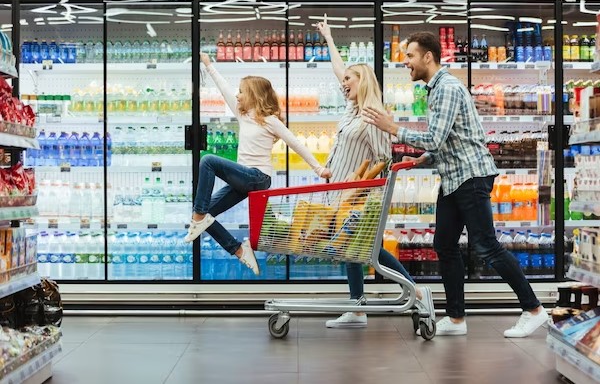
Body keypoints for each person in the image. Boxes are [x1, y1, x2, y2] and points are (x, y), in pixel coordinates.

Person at [363, 31, 548, 338]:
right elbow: (446, 143)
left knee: (486, 245)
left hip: (469, 176)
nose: (405, 62)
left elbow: (436, 138)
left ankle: (534, 309)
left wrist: (393, 128)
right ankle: (456, 318)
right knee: (444, 244)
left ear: (427, 57)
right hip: (453, 177)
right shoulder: (434, 89)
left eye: (409, 56)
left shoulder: (446, 88)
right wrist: (426, 159)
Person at [314, 18, 434, 329]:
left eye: (350, 79)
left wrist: (359, 188)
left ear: (363, 81)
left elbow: (383, 157)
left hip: (358, 196)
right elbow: (340, 70)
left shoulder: (373, 114)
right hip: (339, 190)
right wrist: (329, 38)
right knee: (358, 250)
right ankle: (365, 306)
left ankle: (407, 293)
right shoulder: (351, 109)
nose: (344, 82)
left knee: (364, 250)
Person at [185, 53, 332, 276]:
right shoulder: (243, 115)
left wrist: (318, 168)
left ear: (253, 95)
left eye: (242, 91)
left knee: (207, 161)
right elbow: (223, 88)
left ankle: (197, 216)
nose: (237, 95)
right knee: (207, 216)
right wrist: (207, 64)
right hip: (243, 179)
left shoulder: (270, 120)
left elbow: (295, 143)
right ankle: (237, 249)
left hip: (257, 177)